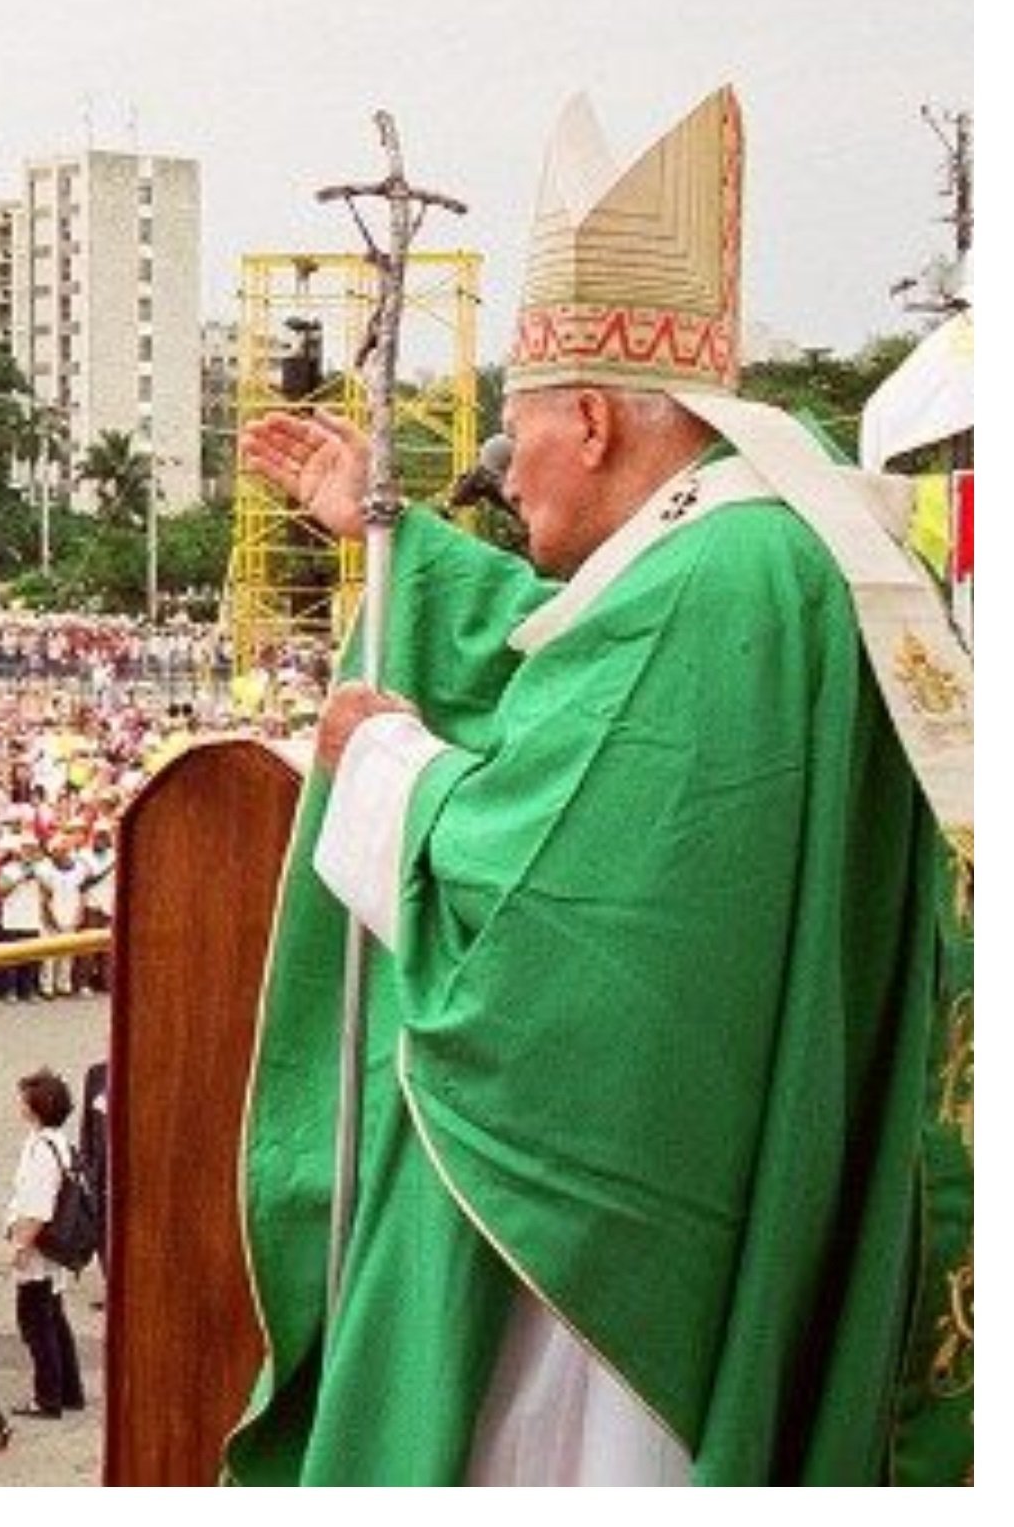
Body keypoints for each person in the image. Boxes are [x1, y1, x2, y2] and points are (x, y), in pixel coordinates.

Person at [226, 89, 970, 1485]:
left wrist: (388, 763)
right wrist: (388, 540)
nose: (505, 483)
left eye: (513, 445)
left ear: (590, 418)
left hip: (627, 1238)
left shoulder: (717, 577)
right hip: (751, 1132)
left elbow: (557, 890)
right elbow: (588, 697)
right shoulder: (766, 542)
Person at [2, 1067, 85, 1420]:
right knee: (54, 1315)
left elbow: (36, 1205)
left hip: (39, 1246)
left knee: (35, 1321)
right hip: (57, 1246)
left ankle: (47, 1396)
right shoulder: (61, 1142)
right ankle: (69, 1389)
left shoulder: (39, 1149)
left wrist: (21, 1246)